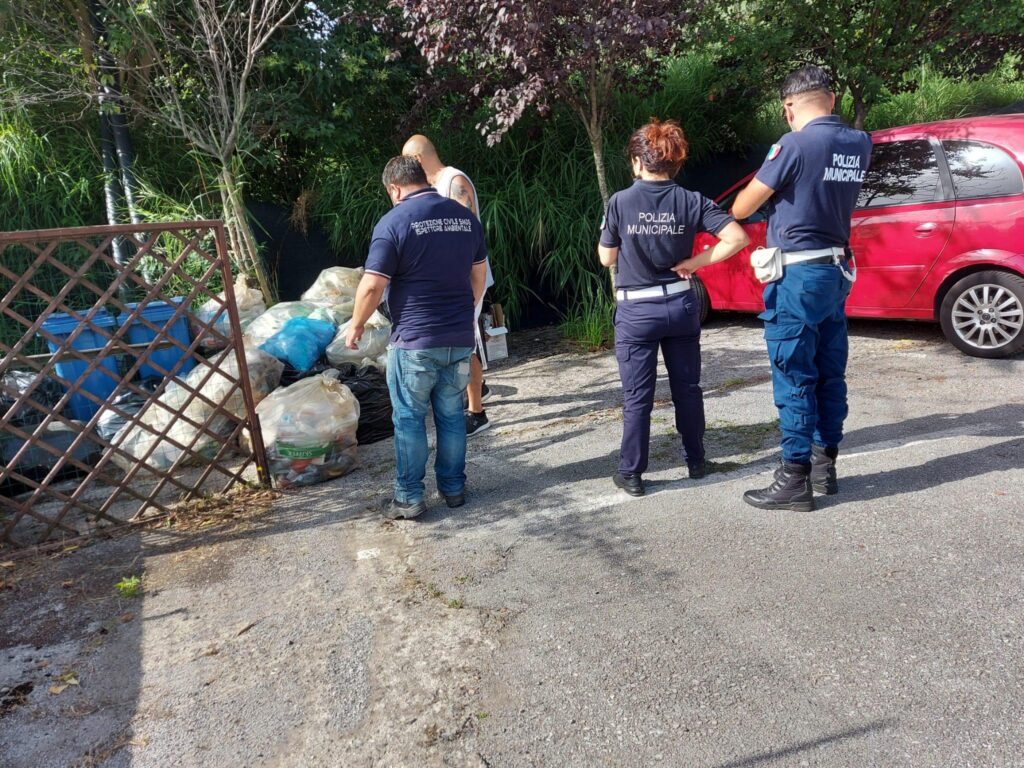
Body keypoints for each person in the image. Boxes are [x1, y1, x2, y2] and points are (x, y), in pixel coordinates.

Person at [728, 65, 871, 511]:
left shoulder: (793, 145)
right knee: (830, 371)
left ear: (789, 107)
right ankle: (826, 465)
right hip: (835, 270)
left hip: (797, 275)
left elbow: (742, 206)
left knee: (794, 372)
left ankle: (793, 477)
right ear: (832, 99)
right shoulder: (859, 143)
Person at [598, 119, 749, 497]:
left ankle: (632, 473)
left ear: (638, 162)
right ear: (674, 162)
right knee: (688, 388)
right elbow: (737, 237)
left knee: (638, 397)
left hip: (636, 311)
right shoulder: (692, 200)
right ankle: (696, 461)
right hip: (680, 304)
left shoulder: (620, 202)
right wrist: (694, 263)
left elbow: (606, 257)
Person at [346, 156, 488, 519]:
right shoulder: (464, 218)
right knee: (452, 416)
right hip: (459, 337)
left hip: (415, 341)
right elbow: (478, 275)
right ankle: (453, 489)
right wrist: (465, 311)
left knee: (409, 419)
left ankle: (409, 497)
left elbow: (373, 284)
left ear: (394, 189)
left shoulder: (394, 221)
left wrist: (357, 324)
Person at [402, 135, 495, 437]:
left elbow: (466, 236)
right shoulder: (433, 187)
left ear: (417, 160)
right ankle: (478, 389)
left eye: (407, 162)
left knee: (463, 344)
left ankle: (477, 413)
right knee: (462, 342)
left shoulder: (453, 182)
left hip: (464, 279)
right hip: (450, 280)